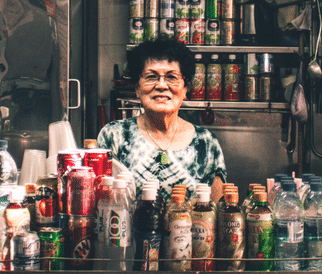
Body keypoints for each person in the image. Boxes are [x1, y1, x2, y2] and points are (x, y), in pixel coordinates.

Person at [97, 38, 227, 203]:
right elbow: (101, 201)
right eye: (151, 77)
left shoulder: (206, 142)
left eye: (171, 77)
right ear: (137, 88)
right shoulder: (114, 136)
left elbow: (217, 207)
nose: (161, 85)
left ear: (184, 89)